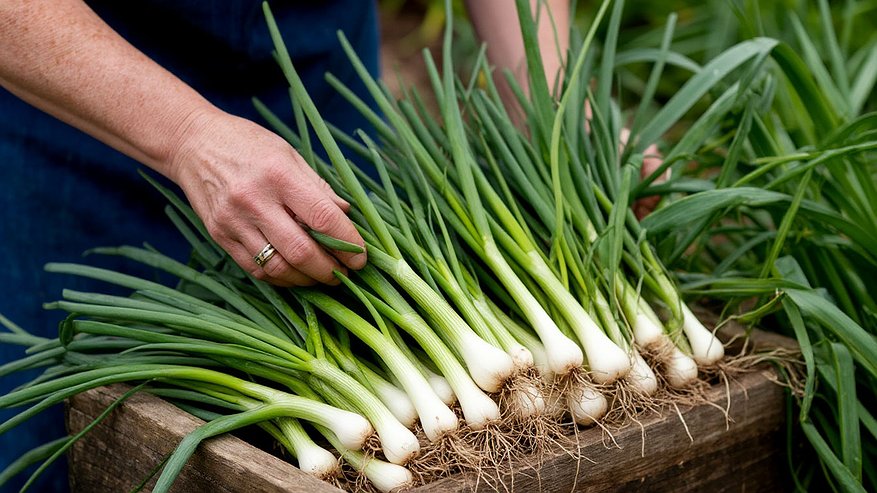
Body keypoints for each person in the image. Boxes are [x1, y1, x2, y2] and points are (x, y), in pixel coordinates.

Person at [1, 1, 657, 490]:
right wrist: (184, 135)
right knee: (66, 444)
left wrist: (549, 98)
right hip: (73, 105)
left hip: (315, 70)